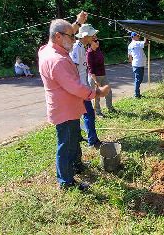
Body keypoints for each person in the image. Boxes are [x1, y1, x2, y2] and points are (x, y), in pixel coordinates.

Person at [38, 12, 111, 190]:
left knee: (73, 139)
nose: (74, 38)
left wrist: (78, 23)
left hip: (66, 107)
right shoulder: (58, 60)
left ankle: (76, 166)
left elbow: (65, 33)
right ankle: (66, 182)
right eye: (71, 36)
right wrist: (97, 93)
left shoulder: (47, 49)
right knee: (66, 145)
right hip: (65, 110)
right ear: (57, 37)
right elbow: (75, 87)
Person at [70, 23, 103, 153]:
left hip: (83, 87)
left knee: (79, 114)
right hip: (80, 89)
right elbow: (73, 69)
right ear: (85, 36)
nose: (94, 36)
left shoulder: (83, 47)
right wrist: (80, 89)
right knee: (89, 114)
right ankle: (93, 141)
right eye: (92, 34)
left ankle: (79, 136)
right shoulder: (77, 48)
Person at [87, 35, 116, 116]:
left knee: (109, 91)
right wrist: (96, 81)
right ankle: (98, 112)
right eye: (95, 41)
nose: (97, 42)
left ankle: (110, 108)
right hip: (94, 77)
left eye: (97, 40)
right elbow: (90, 68)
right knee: (97, 95)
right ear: (91, 43)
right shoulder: (89, 53)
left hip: (103, 75)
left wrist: (95, 37)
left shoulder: (98, 49)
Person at [128, 32, 148, 98]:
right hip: (138, 64)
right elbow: (146, 43)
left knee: (139, 79)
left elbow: (129, 56)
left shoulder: (130, 45)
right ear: (133, 37)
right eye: (137, 36)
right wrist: (146, 35)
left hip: (137, 64)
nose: (139, 37)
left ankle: (137, 93)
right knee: (138, 79)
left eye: (139, 36)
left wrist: (132, 64)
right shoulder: (136, 43)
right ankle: (136, 94)